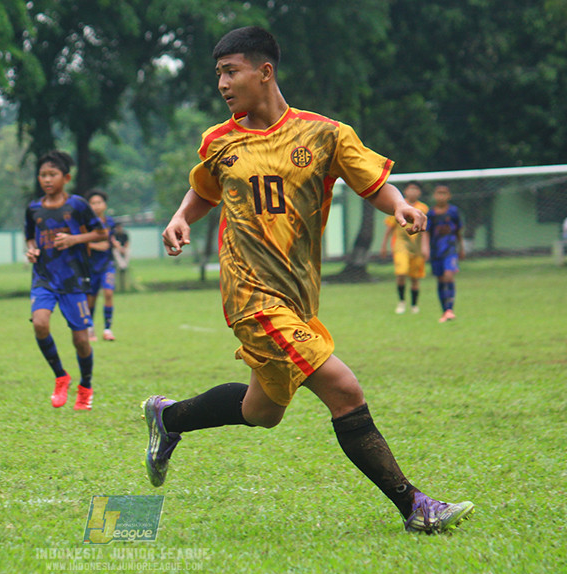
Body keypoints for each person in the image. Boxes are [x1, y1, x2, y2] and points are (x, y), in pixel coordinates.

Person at [142, 26, 473, 534]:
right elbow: (204, 190)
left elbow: (373, 183)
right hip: (250, 295)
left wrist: (400, 206)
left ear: (264, 71)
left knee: (261, 411)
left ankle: (169, 418)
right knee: (344, 390)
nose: (222, 84)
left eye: (230, 72)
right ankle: (416, 507)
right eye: (219, 75)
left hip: (297, 297)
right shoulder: (219, 140)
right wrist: (181, 216)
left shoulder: (325, 134)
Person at [25, 151, 108, 410]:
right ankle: (61, 376)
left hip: (73, 280)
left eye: (52, 174)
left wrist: (74, 239)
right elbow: (30, 237)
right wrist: (31, 250)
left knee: (81, 341)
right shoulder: (33, 208)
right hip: (44, 277)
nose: (47, 179)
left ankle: (86, 386)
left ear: (66, 178)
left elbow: (101, 233)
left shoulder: (78, 205)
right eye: (42, 175)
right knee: (40, 324)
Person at [380, 181, 429, 314]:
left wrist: (425, 246)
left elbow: (425, 230)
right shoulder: (398, 206)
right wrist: (384, 245)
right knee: (401, 273)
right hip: (400, 245)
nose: (413, 192)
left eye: (416, 189)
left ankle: (414, 305)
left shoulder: (423, 208)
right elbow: (389, 228)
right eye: (410, 189)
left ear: (419, 192)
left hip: (416, 247)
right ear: (405, 191)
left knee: (415, 278)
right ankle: (401, 302)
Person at [422, 184, 464, 323]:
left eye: (444, 193)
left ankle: (450, 309)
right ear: (434, 196)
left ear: (449, 196)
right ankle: (444, 310)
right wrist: (425, 248)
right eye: (439, 193)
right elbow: (426, 232)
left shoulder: (453, 211)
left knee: (449, 275)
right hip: (436, 250)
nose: (441, 196)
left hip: (450, 249)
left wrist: (461, 247)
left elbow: (458, 231)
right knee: (440, 279)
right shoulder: (431, 214)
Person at [85, 189, 118, 342]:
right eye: (93, 203)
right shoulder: (85, 224)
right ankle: (90, 329)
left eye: (99, 202)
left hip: (107, 264)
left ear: (105, 205)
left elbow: (110, 241)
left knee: (108, 293)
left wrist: (115, 244)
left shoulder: (110, 222)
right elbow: (81, 242)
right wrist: (95, 245)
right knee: (91, 298)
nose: (97, 206)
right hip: (90, 266)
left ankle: (107, 329)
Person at [112, 223, 132, 293]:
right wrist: (120, 248)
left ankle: (124, 265)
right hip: (117, 249)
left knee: (128, 251)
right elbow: (115, 243)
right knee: (115, 252)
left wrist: (123, 249)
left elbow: (127, 243)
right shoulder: (114, 235)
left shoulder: (125, 234)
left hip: (124, 249)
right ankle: (122, 265)